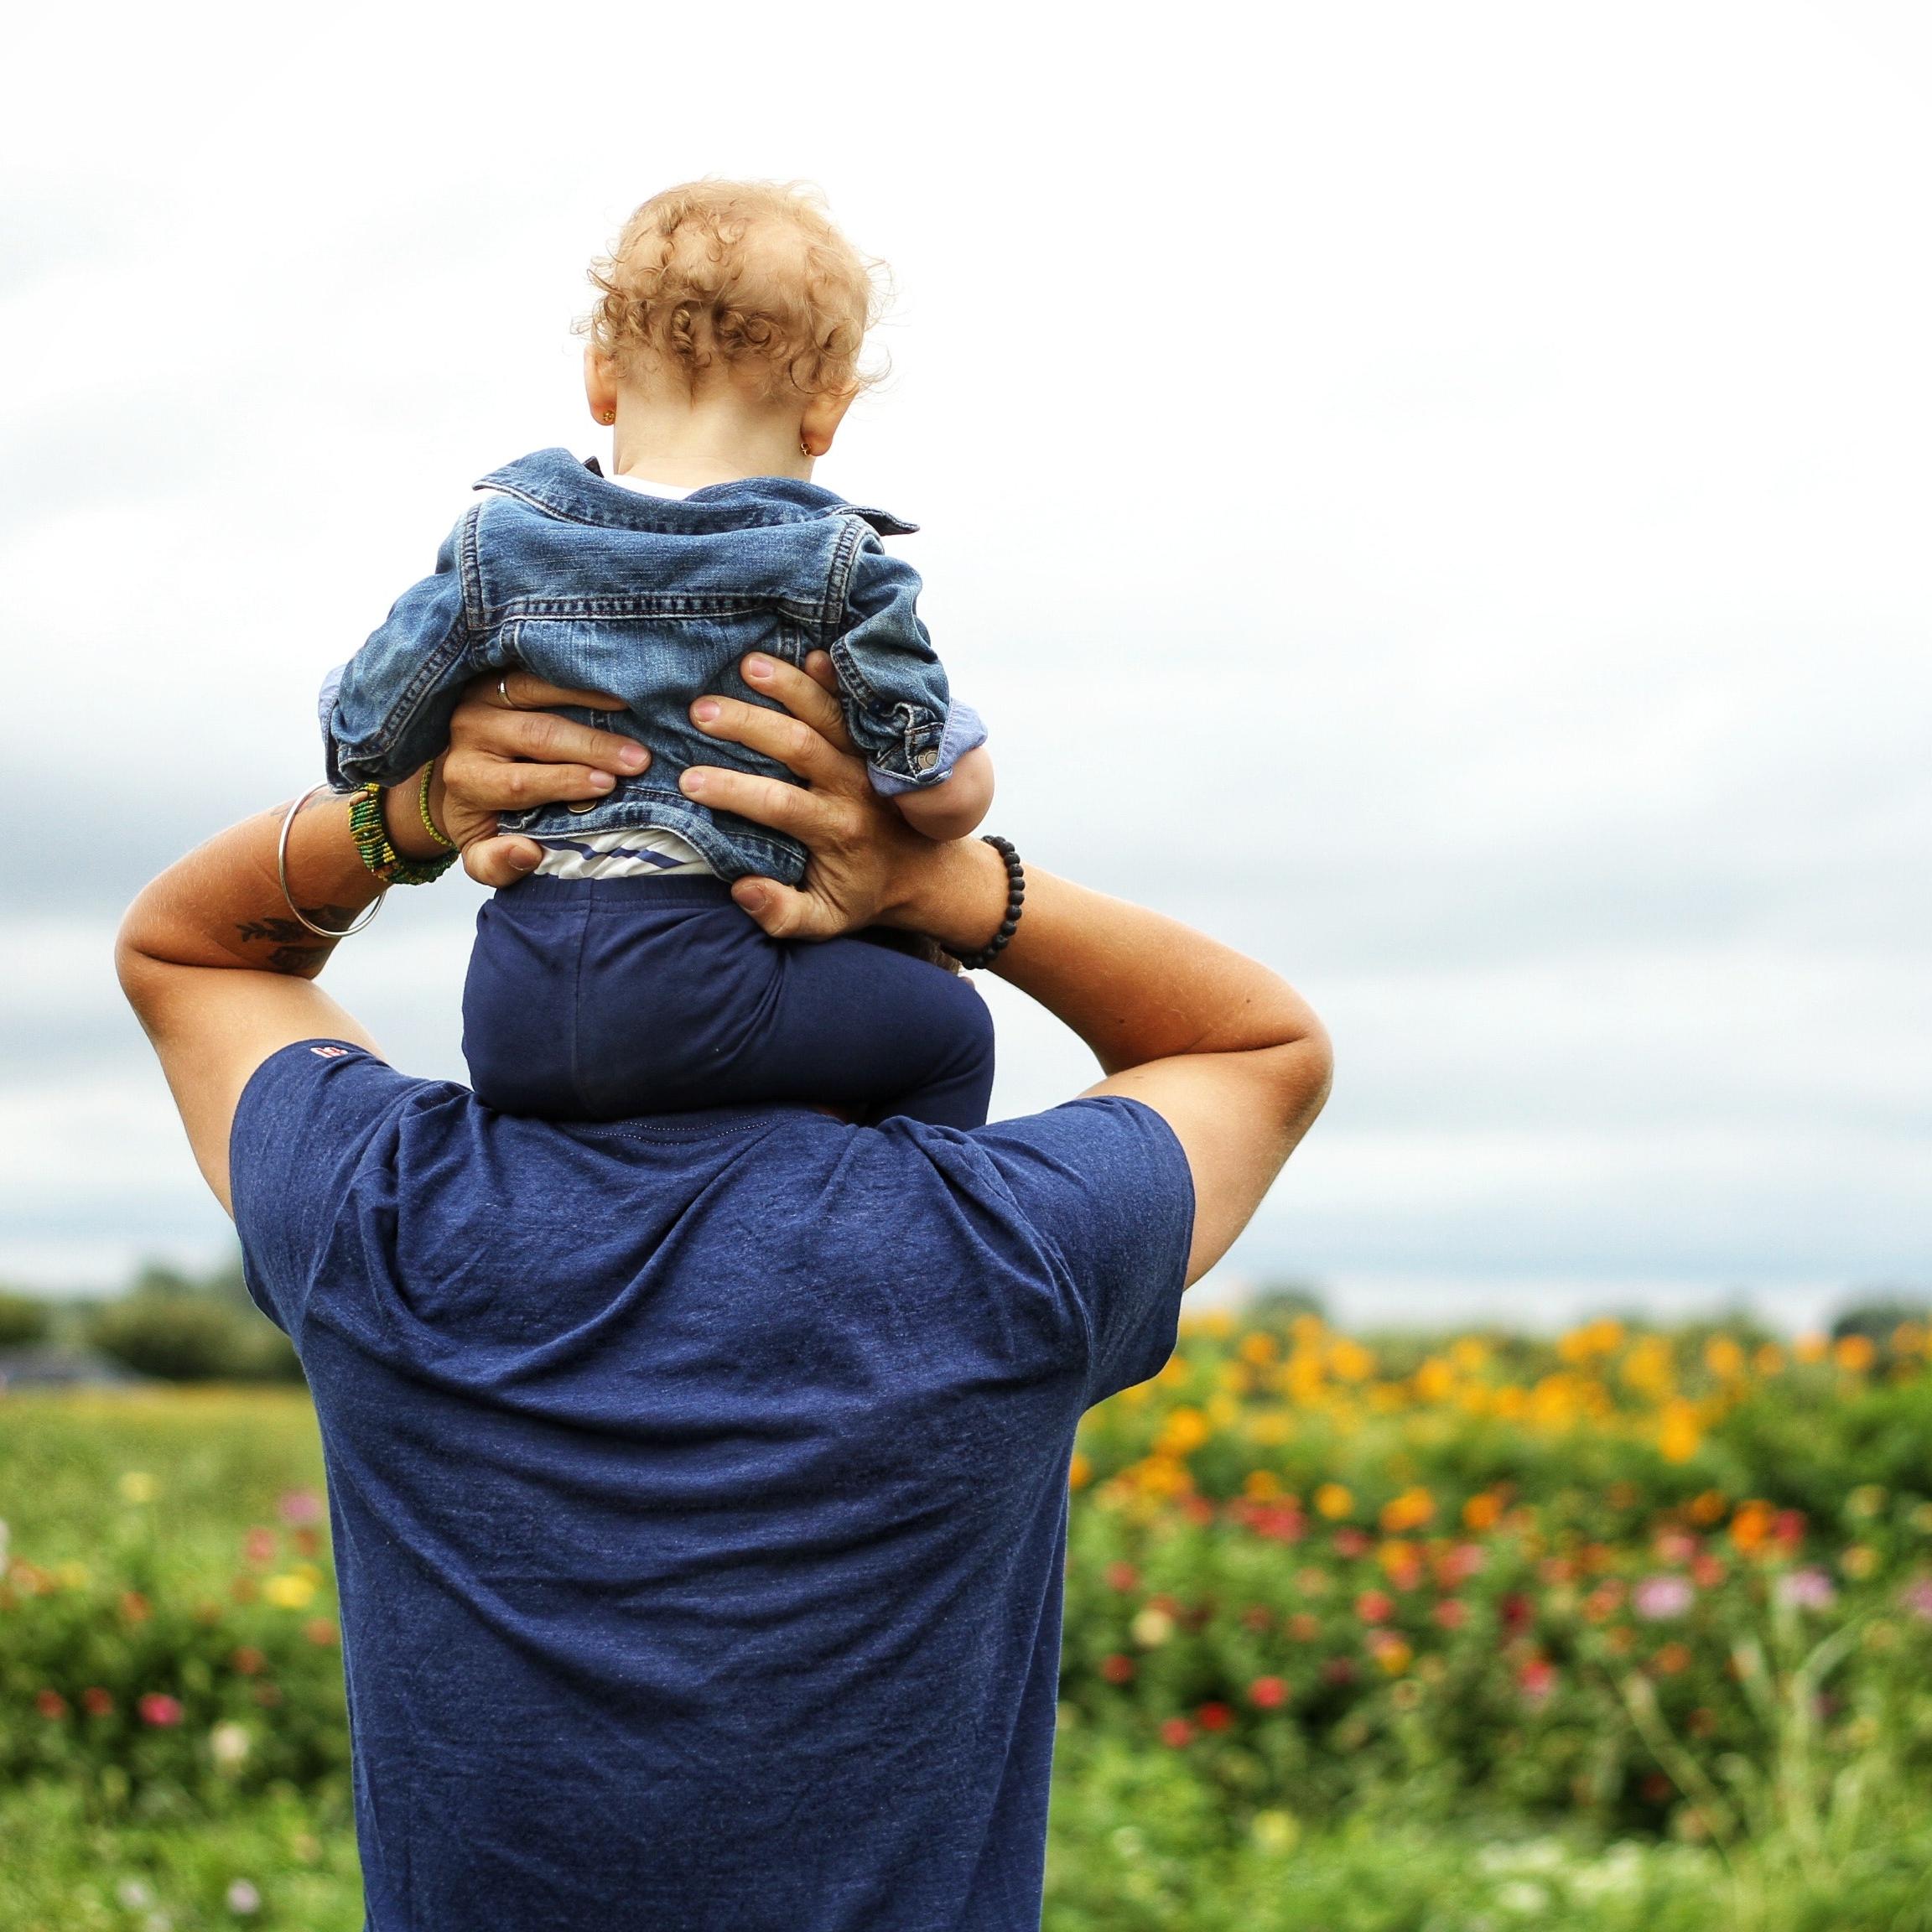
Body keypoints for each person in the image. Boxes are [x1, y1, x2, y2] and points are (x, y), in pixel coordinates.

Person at [117, 654, 1332, 1932]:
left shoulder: (389, 1217)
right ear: (889, 969)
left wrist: (413, 813)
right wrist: (949, 881)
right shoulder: (1004, 1252)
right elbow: (1257, 1046)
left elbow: (192, 956)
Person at [323, 180, 998, 1128]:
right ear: (827, 412)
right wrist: (960, 764)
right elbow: (933, 791)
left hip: (514, 1000)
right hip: (711, 981)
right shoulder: (835, 563)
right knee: (952, 1030)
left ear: (601, 379)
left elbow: (363, 740)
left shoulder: (497, 542)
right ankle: (898, 1210)